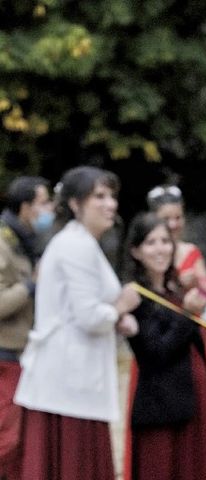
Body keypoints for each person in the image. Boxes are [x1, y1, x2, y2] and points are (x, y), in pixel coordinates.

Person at [14, 166, 140, 479]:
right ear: (74, 204)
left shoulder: (81, 243)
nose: (110, 204)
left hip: (75, 378)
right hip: (67, 381)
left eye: (112, 196)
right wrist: (121, 307)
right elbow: (88, 317)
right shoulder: (75, 245)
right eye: (99, 196)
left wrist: (115, 315)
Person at [121, 213, 206, 480]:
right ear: (136, 251)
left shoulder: (175, 289)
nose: (160, 249)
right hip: (161, 408)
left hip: (195, 399)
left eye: (165, 241)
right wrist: (187, 315)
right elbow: (155, 354)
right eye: (151, 242)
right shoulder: (135, 295)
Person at [0, 176, 51, 480]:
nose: (49, 210)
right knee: (7, 441)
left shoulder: (24, 242)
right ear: (25, 207)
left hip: (24, 355)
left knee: (19, 443)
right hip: (5, 356)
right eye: (44, 203)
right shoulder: (3, 243)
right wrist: (32, 284)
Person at [147, 184, 206, 289]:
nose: (173, 225)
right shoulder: (145, 252)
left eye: (178, 218)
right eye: (166, 219)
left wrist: (196, 283)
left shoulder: (191, 251)